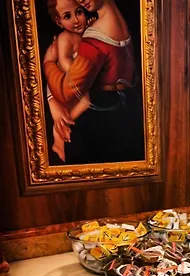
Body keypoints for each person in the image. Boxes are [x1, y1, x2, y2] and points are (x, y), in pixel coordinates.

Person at [43, 0, 144, 165]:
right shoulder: (116, 19)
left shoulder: (95, 36)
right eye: (67, 16)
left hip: (107, 113)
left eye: (78, 12)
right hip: (124, 106)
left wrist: (48, 63)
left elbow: (68, 91)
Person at [46, 0, 92, 162]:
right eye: (67, 16)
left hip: (73, 79)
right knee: (85, 101)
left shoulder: (86, 33)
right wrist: (77, 75)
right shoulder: (65, 37)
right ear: (59, 22)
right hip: (62, 78)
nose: (76, 20)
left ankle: (60, 135)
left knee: (81, 103)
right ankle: (58, 131)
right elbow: (64, 59)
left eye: (78, 12)